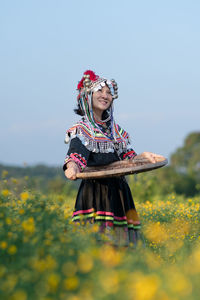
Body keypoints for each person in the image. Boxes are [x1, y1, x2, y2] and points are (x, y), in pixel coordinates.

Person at [63, 70, 164, 247]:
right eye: (100, 91)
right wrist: (71, 168)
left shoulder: (116, 131)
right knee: (97, 246)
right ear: (87, 96)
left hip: (119, 192)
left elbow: (128, 158)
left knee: (123, 248)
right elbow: (76, 155)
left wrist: (143, 157)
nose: (105, 96)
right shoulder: (82, 129)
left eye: (109, 92)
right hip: (96, 193)